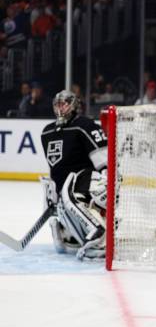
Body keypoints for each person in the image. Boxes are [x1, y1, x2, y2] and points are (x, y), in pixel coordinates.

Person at [40, 90, 108, 260]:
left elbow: (103, 160)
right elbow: (56, 166)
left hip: (87, 182)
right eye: (57, 104)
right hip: (65, 187)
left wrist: (108, 179)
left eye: (64, 103)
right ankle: (75, 235)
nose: (60, 107)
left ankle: (99, 231)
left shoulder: (84, 125)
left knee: (70, 194)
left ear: (74, 105)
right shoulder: (47, 132)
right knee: (57, 195)